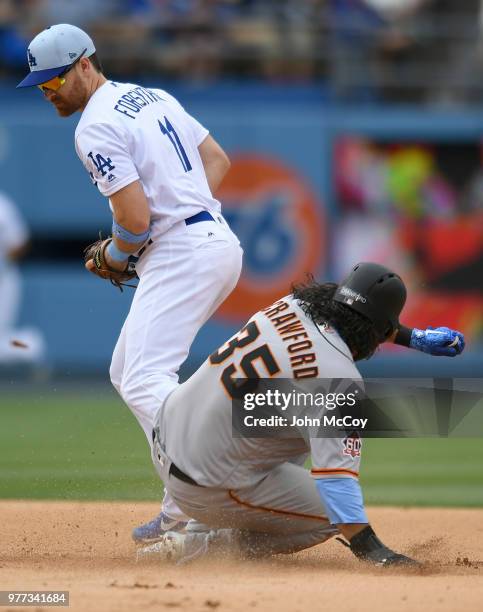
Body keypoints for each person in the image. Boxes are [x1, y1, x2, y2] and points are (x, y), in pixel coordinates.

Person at [17, 23, 243, 540]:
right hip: (211, 242)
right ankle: (183, 504)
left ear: (84, 65)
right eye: (41, 85)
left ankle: (208, 497)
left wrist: (118, 255)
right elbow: (218, 160)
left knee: (144, 379)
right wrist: (184, 214)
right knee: (128, 371)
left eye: (55, 80)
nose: (48, 92)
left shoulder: (92, 126)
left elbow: (136, 221)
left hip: (183, 251)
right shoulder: (151, 96)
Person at [139, 262, 465, 565]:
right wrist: (375, 552)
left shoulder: (291, 305)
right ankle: (203, 546)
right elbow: (337, 489)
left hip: (165, 438)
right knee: (329, 515)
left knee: (288, 415)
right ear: (378, 330)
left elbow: (355, 310)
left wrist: (413, 337)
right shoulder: (339, 381)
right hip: (202, 485)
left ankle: (193, 527)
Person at [0, 190, 45, 364]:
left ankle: (32, 346)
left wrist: (4, 264)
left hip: (4, 280)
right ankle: (31, 346)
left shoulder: (2, 206)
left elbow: (20, 241)